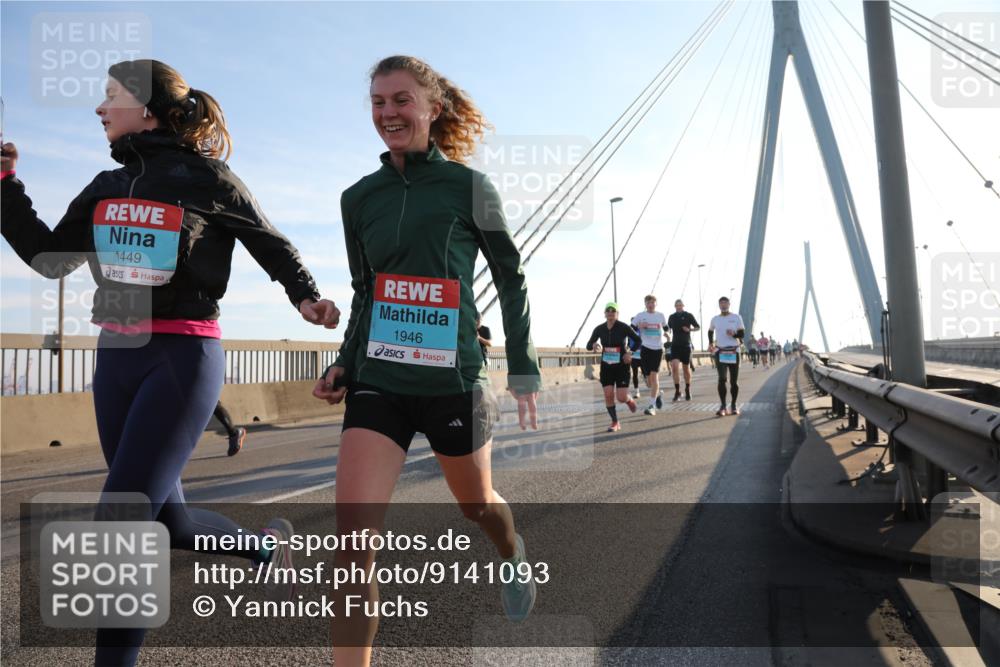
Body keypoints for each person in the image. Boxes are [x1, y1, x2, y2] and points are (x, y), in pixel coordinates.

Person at [1, 59, 341, 666]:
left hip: (183, 355)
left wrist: (306, 296)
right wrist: (5, 185)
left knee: (121, 522)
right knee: (167, 522)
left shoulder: (209, 179)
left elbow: (269, 241)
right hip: (117, 357)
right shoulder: (107, 186)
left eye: (111, 97)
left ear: (149, 109)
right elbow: (51, 259)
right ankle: (267, 548)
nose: (100, 109)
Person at [311, 55, 542, 667]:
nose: (388, 113)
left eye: (401, 100)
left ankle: (511, 551)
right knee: (354, 543)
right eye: (378, 102)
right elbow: (367, 290)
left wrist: (522, 367)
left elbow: (510, 279)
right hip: (379, 382)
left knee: (478, 506)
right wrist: (344, 362)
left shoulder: (470, 188)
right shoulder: (358, 198)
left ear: (432, 109)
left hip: (453, 381)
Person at [587, 302, 641, 431]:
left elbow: (638, 340)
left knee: (621, 397)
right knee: (608, 394)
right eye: (608, 310)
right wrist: (594, 344)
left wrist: (630, 352)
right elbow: (589, 345)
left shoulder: (623, 327)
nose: (610, 312)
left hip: (622, 365)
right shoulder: (599, 329)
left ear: (617, 314)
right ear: (605, 313)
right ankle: (615, 422)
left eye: (613, 310)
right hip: (606, 366)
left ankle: (628, 400)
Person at [708, 296, 745, 416]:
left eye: (725, 303)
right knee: (722, 379)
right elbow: (710, 331)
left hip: (734, 351)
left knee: (734, 381)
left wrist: (734, 334)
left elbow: (742, 333)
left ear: (729, 304)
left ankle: (734, 405)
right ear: (719, 305)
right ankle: (723, 406)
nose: (723, 305)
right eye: (721, 303)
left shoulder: (736, 317)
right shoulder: (715, 319)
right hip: (721, 351)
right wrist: (710, 343)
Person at [631, 295, 668, 415]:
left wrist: (667, 335)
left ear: (656, 304)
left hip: (657, 349)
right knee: (648, 381)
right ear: (645, 304)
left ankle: (651, 406)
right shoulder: (640, 316)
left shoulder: (660, 315)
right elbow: (631, 328)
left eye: (653, 302)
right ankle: (657, 396)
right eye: (648, 302)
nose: (651, 304)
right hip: (645, 349)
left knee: (654, 376)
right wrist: (639, 327)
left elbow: (666, 327)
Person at [666, 298, 699, 401]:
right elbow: (668, 328)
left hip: (686, 345)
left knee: (686, 369)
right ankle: (677, 391)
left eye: (680, 305)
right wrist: (665, 333)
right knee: (674, 367)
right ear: (675, 306)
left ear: (683, 306)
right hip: (675, 345)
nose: (679, 307)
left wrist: (689, 329)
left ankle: (687, 389)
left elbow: (698, 327)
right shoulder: (671, 317)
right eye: (677, 305)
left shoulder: (689, 315)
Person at [629, 322, 643, 399]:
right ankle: (637, 391)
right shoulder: (629, 332)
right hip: (633, 356)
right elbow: (628, 343)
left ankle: (645, 377)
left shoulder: (641, 331)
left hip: (642, 355)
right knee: (634, 374)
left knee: (645, 373)